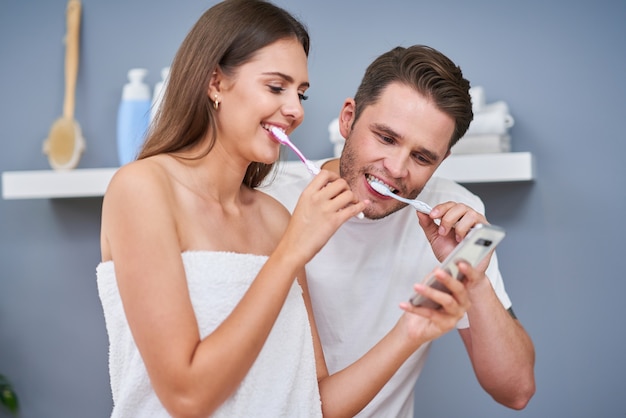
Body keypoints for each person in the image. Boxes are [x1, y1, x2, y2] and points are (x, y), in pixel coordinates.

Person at [96, 2, 472, 417]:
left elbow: (316, 404)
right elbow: (186, 398)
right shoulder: (142, 190)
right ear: (215, 82)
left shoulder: (275, 217)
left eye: (301, 93)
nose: (296, 110)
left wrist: (410, 332)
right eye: (276, 88)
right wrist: (292, 249)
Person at [262, 44, 536, 417]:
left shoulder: (454, 219)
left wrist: (475, 279)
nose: (395, 167)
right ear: (348, 119)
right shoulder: (268, 202)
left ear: (441, 162)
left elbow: (516, 391)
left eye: (422, 157)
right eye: (386, 138)